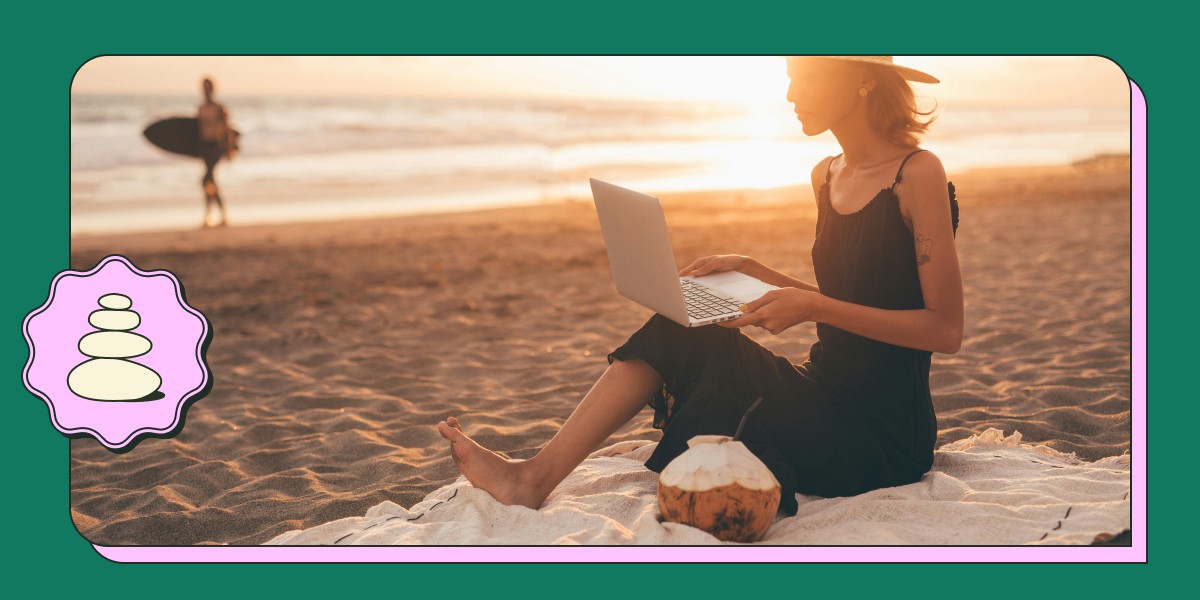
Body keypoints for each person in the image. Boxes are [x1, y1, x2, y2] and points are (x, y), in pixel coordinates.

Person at [436, 56, 963, 516]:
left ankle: (529, 479)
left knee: (711, 374)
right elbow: (853, 295)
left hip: (881, 433)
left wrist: (810, 306)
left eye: (803, 77)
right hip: (823, 388)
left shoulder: (917, 172)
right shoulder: (827, 173)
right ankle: (532, 476)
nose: (790, 95)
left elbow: (944, 329)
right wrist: (755, 271)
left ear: (862, 82)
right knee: (680, 328)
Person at [197, 77, 231, 227]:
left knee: (206, 179)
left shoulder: (219, 108)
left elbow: (227, 129)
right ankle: (218, 216)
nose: (206, 90)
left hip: (216, 147)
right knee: (209, 181)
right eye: (204, 87)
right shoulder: (201, 108)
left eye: (208, 87)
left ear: (213, 89)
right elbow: (196, 131)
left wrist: (229, 149)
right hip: (205, 148)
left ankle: (212, 215)